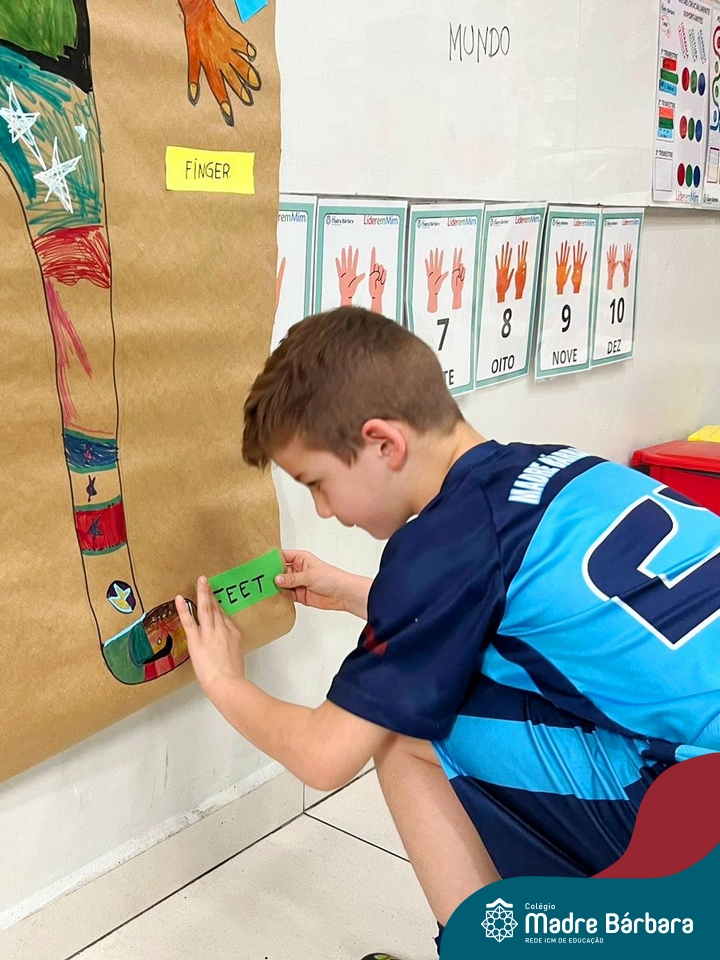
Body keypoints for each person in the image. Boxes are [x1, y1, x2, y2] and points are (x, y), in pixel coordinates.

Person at [176, 306, 720, 955]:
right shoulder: (558, 468)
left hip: (701, 849)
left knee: (401, 724)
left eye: (318, 483)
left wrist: (224, 680)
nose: (321, 509)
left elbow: (325, 756)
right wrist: (358, 592)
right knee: (454, 680)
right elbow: (496, 605)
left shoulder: (439, 548)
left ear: (384, 444)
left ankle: (490, 944)